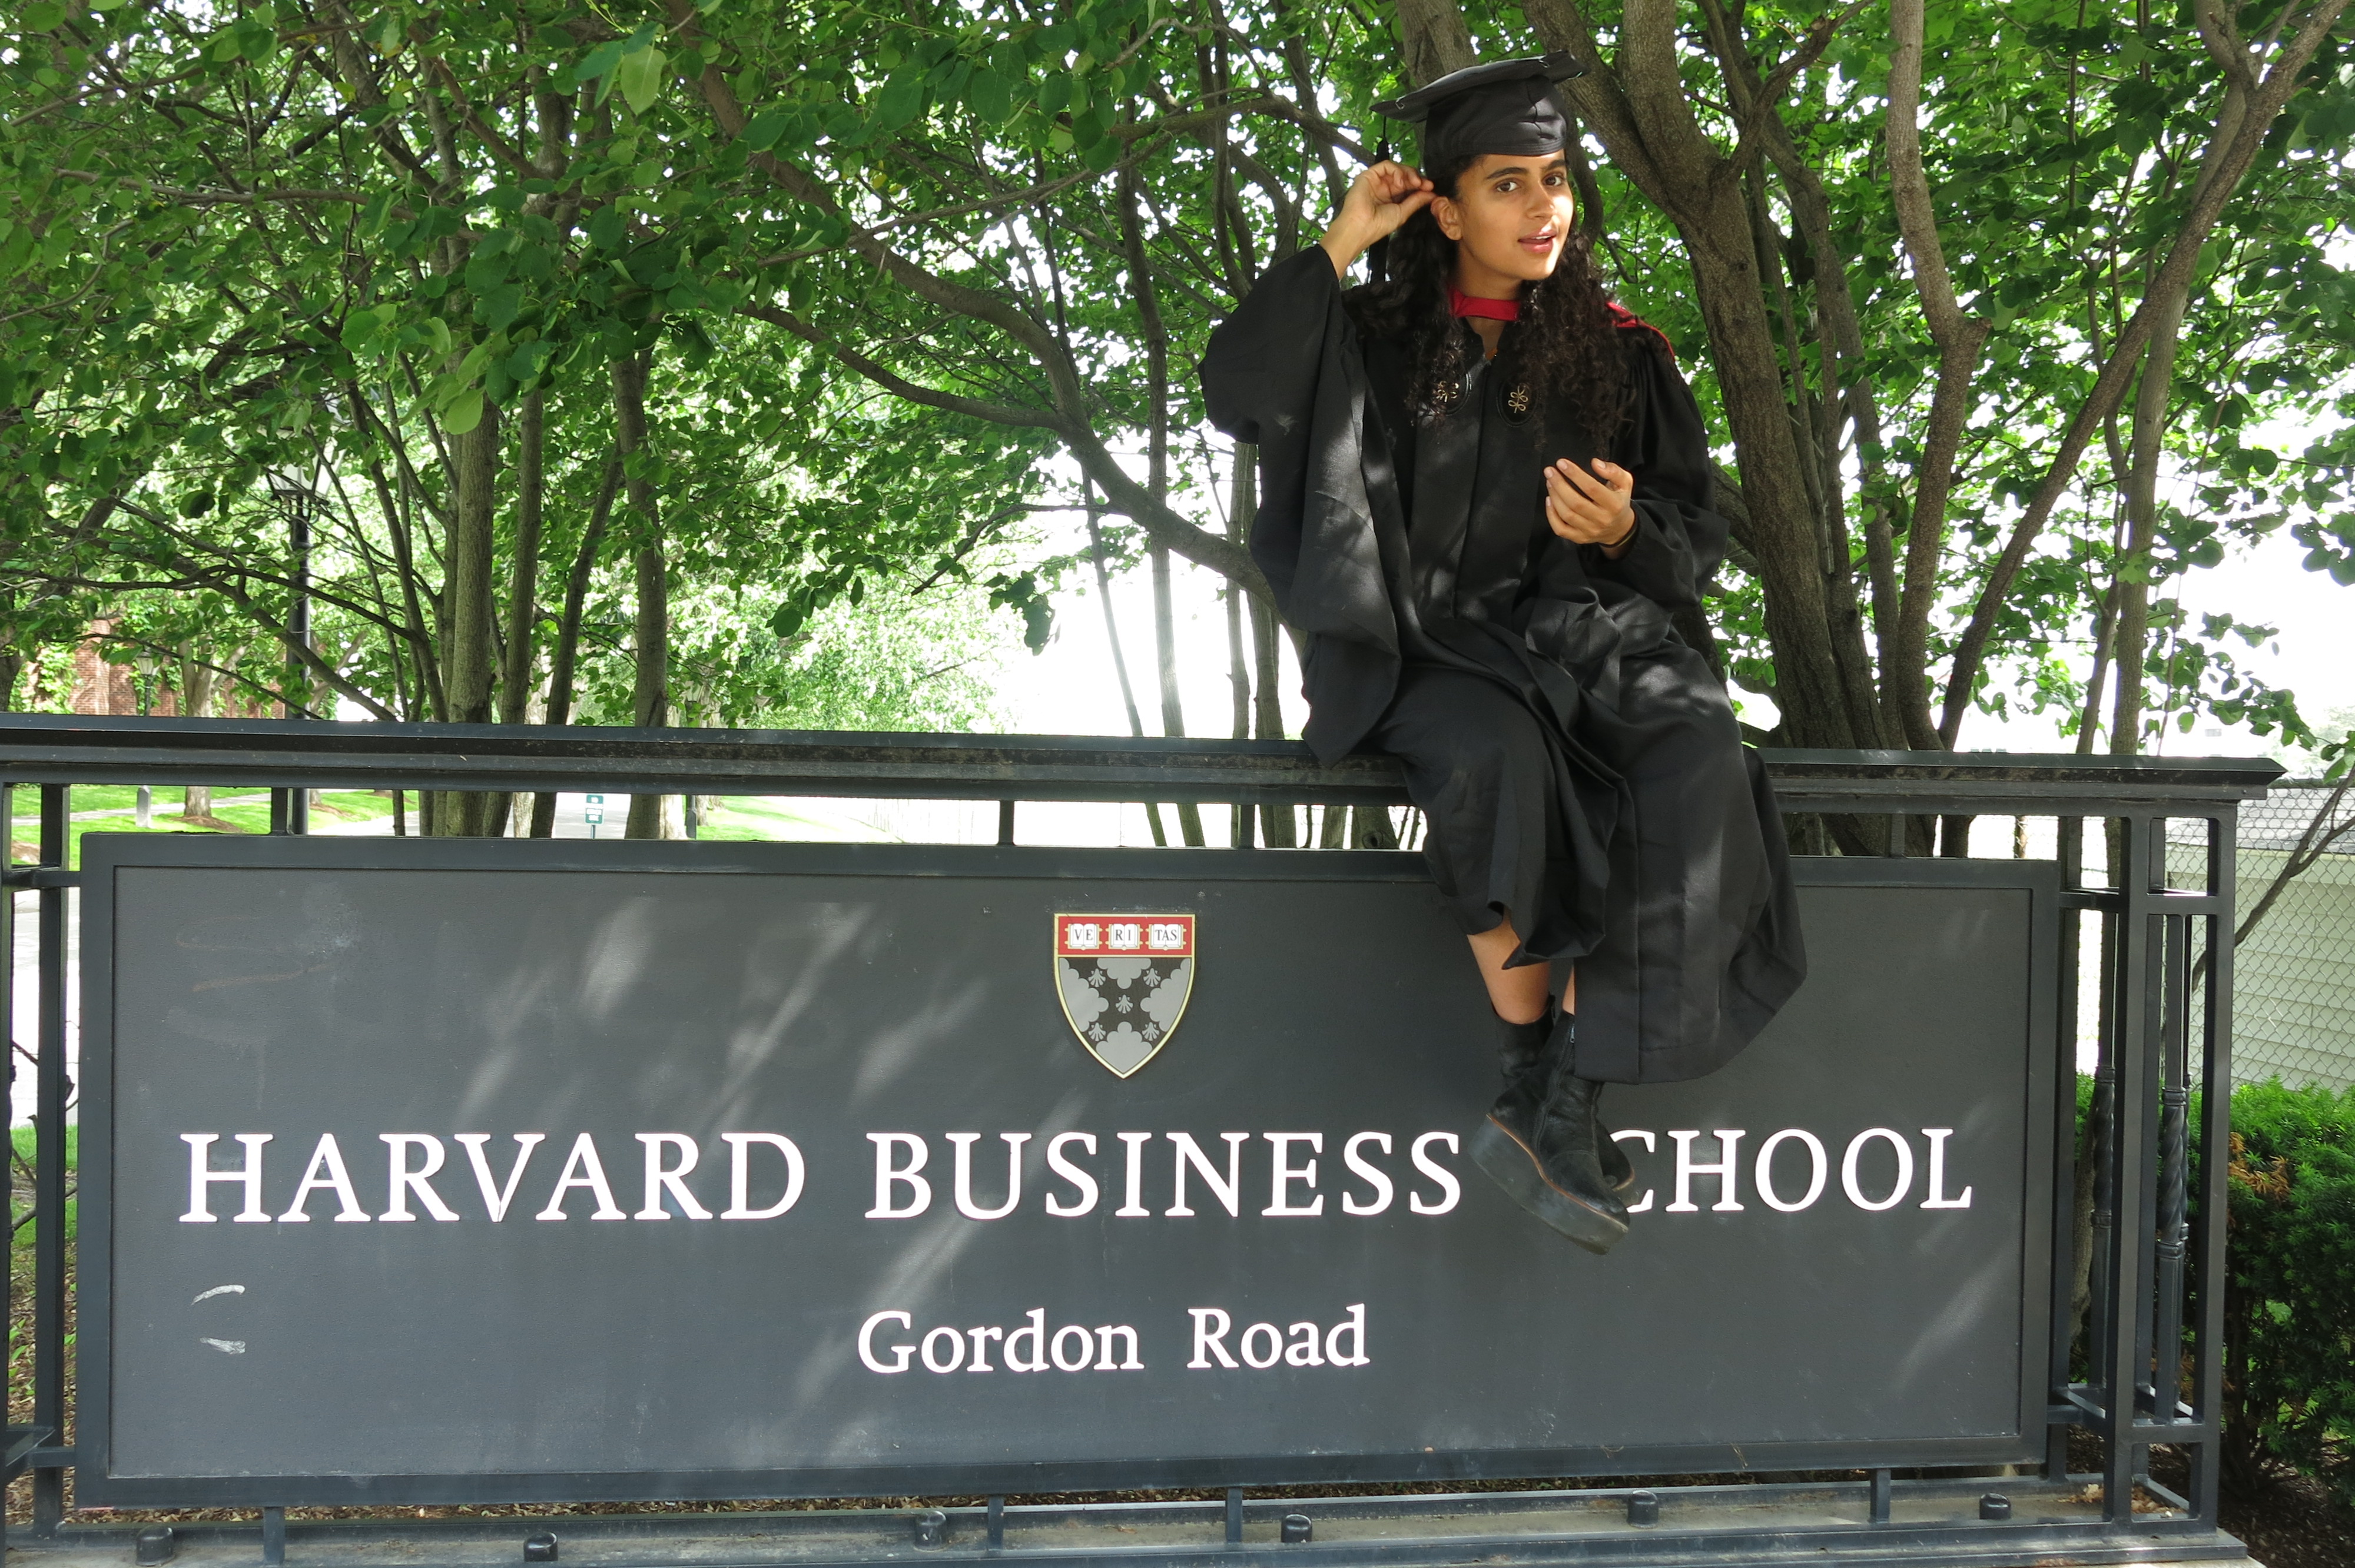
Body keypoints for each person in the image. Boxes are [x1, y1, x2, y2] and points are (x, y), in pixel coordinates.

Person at [1200, 55, 1805, 1255]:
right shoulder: (1367, 339)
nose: (1543, 208)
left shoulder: (1616, 354)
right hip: (1422, 645)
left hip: (1583, 634)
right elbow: (1238, 390)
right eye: (1507, 183)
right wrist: (1342, 239)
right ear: (1445, 207)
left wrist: (1625, 531)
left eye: (1556, 180)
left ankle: (1561, 1092)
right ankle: (1541, 1082)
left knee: (1697, 743)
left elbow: (1692, 538)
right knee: (1492, 760)